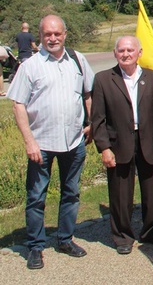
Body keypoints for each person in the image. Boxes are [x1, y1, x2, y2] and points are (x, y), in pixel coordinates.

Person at [7, 15, 94, 269]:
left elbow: (88, 93)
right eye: (47, 34)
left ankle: (65, 239)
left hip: (74, 141)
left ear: (65, 34)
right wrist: (29, 141)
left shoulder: (78, 60)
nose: (53, 38)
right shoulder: (30, 66)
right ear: (40, 36)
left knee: (72, 192)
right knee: (36, 196)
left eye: (57, 34)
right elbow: (18, 105)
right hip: (41, 144)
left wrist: (90, 123)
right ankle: (36, 246)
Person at [90, 36, 153, 255]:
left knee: (152, 192)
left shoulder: (152, 78)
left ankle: (152, 232)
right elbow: (98, 119)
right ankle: (122, 236)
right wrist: (104, 148)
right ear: (115, 53)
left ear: (139, 53)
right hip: (118, 143)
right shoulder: (104, 79)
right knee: (120, 193)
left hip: (148, 142)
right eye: (121, 50)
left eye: (130, 50)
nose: (126, 54)